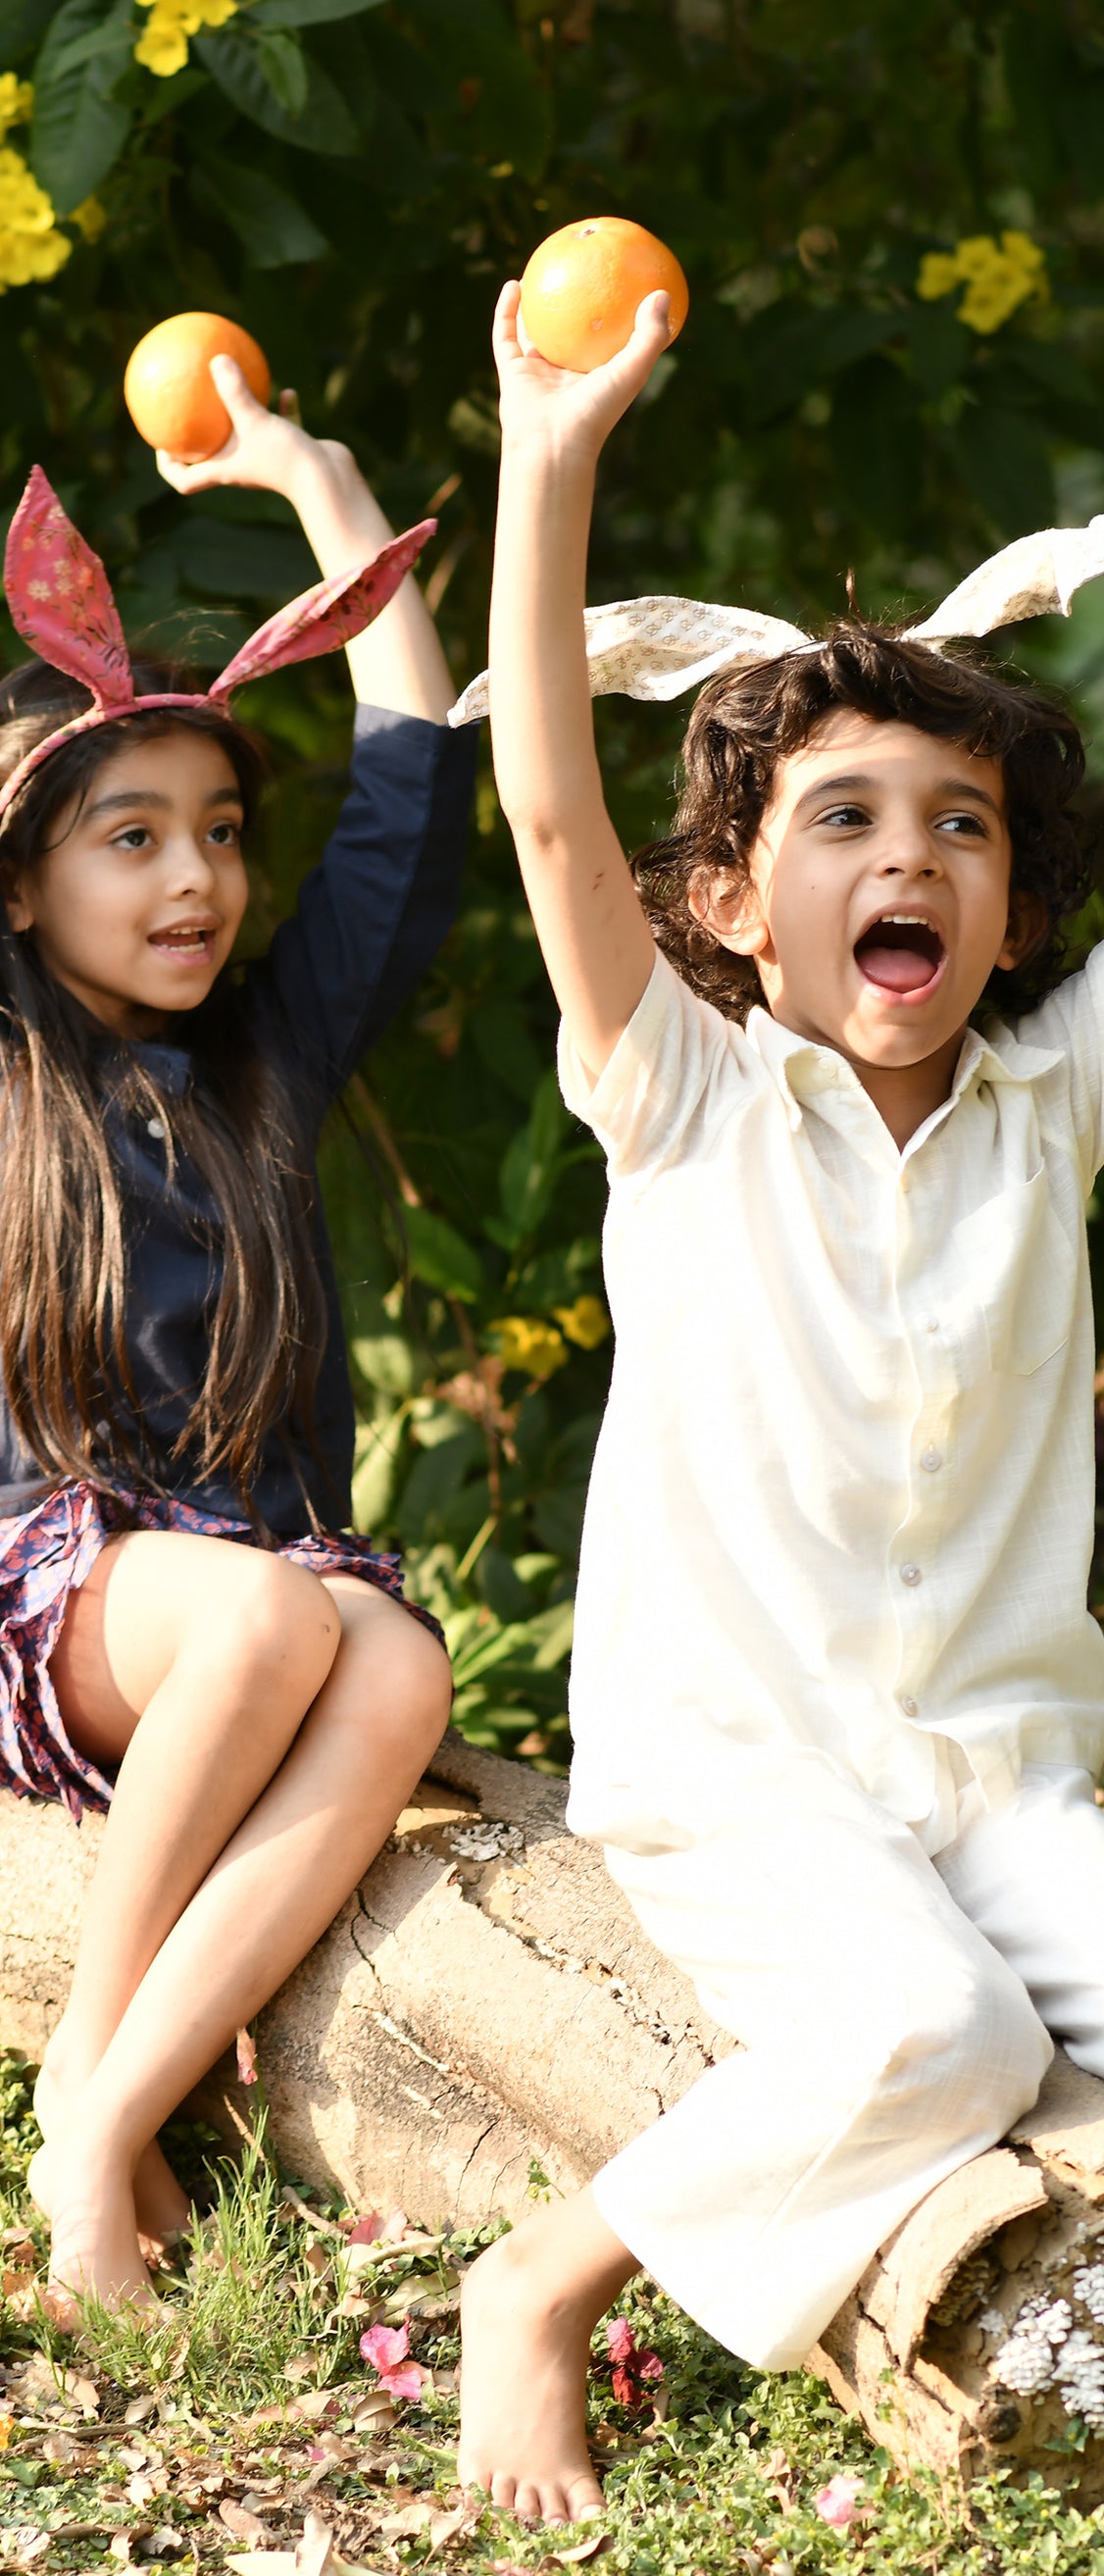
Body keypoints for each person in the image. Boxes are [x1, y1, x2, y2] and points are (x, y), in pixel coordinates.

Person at [455, 275, 1104, 2524]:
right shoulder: (681, 1093)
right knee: (943, 2031)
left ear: (1012, 914)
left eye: (961, 828)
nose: (909, 858)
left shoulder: (1054, 1093)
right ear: (728, 901)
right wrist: (551, 453)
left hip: (987, 1776)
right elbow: (548, 814)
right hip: (742, 1778)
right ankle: (545, 2284)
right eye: (845, 820)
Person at [3, 360, 476, 2321]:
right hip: (44, 1595)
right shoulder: (8, 1065)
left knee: (399, 1658)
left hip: (241, 1598)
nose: (195, 878)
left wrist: (319, 490)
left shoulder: (267, 1058)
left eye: (216, 832)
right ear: (19, 880)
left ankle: (116, 2108)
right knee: (284, 1617)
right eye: (129, 839)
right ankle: (88, 2091)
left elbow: (413, 790)